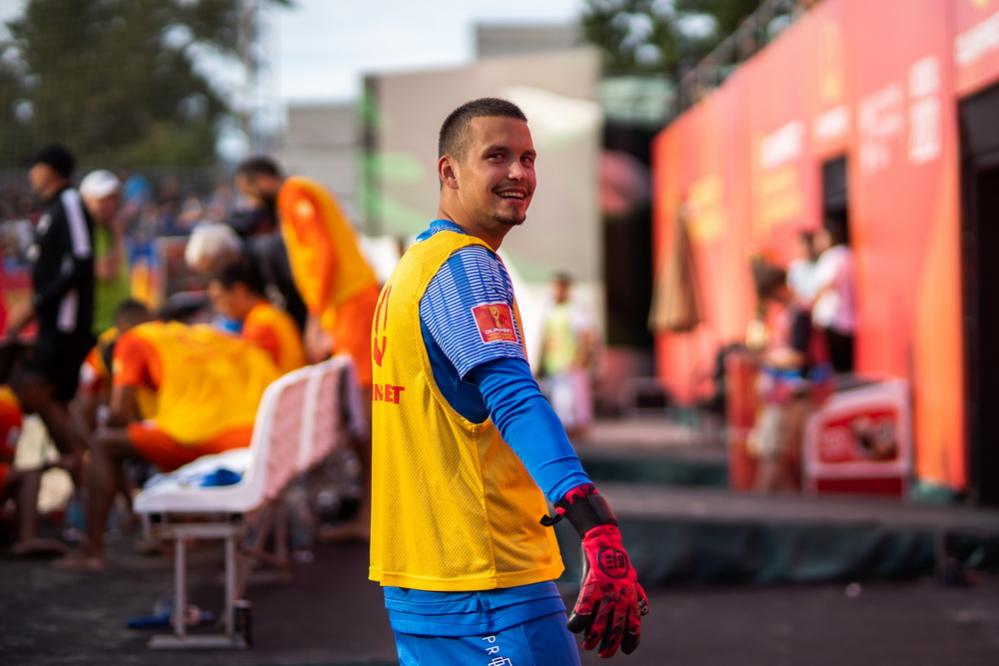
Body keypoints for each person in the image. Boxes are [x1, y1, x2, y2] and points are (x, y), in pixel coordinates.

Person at [370, 98, 647, 664]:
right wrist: (593, 521)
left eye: (528, 158)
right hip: (486, 582)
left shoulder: (414, 267)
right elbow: (513, 397)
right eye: (497, 156)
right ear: (449, 171)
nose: (519, 173)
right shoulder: (465, 265)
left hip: (423, 581)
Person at [235, 156, 379, 540]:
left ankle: (373, 517)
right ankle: (370, 514)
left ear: (261, 181)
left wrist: (316, 316)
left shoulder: (294, 192)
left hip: (350, 308)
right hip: (348, 308)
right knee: (363, 418)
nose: (250, 203)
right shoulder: (302, 192)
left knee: (368, 418)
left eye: (249, 193)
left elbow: (322, 252)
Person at [59, 321, 280, 570]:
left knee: (104, 444)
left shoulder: (130, 341)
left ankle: (92, 552)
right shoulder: (189, 333)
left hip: (209, 437)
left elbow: (118, 414)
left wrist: (103, 422)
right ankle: (175, 528)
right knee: (158, 433)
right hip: (254, 431)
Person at [7, 145, 95, 478]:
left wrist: (37, 302)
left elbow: (81, 261)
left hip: (66, 324)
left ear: (52, 171)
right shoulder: (53, 208)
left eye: (37, 166)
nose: (32, 174)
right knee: (52, 398)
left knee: (32, 386)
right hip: (53, 322)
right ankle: (85, 472)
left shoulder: (69, 202)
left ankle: (82, 464)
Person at [185, 222, 308, 333]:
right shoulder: (239, 278)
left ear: (226, 254)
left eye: (212, 267)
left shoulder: (268, 253)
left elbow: (308, 286)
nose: (213, 277)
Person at [208, 259, 305, 374]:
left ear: (239, 290)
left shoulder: (259, 325)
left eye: (219, 298)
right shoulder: (269, 313)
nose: (218, 307)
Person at [538, 272, 597, 438]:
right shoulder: (549, 309)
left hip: (571, 364)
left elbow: (586, 335)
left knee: (573, 402)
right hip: (553, 364)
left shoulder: (574, 310)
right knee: (560, 401)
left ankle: (576, 433)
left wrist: (582, 358)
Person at [79, 170, 131, 335]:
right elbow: (107, 272)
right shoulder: (86, 233)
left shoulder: (106, 228)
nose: (110, 204)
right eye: (102, 199)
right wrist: (118, 236)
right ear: (86, 200)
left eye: (113, 198)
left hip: (116, 324)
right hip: (100, 327)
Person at [811, 214, 855, 373]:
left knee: (839, 367)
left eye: (820, 237)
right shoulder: (848, 253)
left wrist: (812, 306)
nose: (817, 242)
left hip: (833, 318)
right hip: (849, 318)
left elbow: (826, 284)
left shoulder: (830, 257)